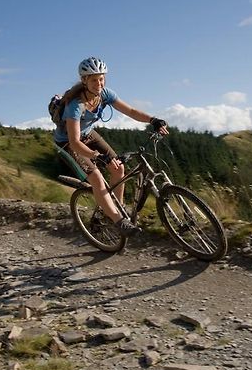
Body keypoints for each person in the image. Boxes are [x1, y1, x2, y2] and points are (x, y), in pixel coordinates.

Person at [54, 57, 169, 236]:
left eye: (101, 78)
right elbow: (75, 142)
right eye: (93, 79)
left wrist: (153, 120)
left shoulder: (105, 94)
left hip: (88, 134)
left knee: (118, 167)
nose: (99, 83)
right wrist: (98, 156)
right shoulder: (75, 105)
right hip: (69, 142)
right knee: (97, 178)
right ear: (84, 81)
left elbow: (130, 111)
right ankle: (118, 221)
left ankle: (116, 208)